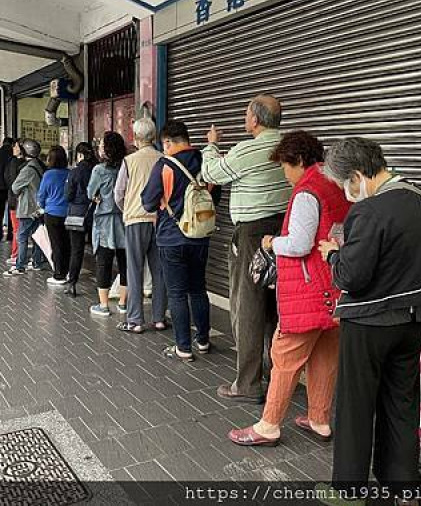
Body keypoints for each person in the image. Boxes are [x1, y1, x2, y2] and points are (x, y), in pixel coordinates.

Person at [316, 138, 421, 498]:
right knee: (402, 403)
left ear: (358, 175)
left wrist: (334, 255)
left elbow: (352, 278)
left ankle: (348, 492)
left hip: (369, 325)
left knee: (355, 408)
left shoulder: (370, 211)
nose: (347, 192)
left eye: (345, 184)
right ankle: (403, 488)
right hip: (413, 323)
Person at [228, 131, 350, 447]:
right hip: (337, 287)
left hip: (309, 290)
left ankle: (269, 426)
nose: (284, 173)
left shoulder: (307, 191)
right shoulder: (336, 183)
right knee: (324, 358)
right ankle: (319, 420)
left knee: (283, 358)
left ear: (297, 160)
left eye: (284, 165)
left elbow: (298, 244)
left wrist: (271, 241)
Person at [201, 94, 291, 403]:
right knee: (273, 305)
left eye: (245, 114)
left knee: (248, 304)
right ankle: (273, 372)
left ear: (255, 119)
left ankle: (248, 383)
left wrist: (212, 144)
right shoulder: (289, 145)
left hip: (253, 233)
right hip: (284, 230)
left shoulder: (251, 148)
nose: (244, 119)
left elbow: (211, 173)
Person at [142, 120, 220, 361]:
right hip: (200, 236)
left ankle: (183, 348)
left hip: (171, 238)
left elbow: (147, 202)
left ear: (167, 142)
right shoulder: (205, 162)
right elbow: (214, 195)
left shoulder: (164, 165)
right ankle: (204, 341)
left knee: (176, 294)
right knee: (198, 288)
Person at [114, 118, 166, 333]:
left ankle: (135, 320)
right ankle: (160, 318)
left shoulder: (129, 161)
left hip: (135, 220)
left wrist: (127, 208)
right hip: (159, 220)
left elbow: (119, 193)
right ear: (153, 137)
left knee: (134, 270)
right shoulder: (164, 159)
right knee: (159, 271)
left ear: (134, 137)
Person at [88, 132, 127, 316]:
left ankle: (103, 306)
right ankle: (123, 303)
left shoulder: (99, 170)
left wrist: (97, 197)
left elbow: (90, 192)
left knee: (104, 262)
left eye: (102, 144)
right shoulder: (126, 166)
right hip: (125, 219)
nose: (99, 147)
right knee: (125, 262)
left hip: (105, 220)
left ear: (107, 149)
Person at [4, 139, 48, 277]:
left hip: (28, 207)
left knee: (22, 236)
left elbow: (15, 187)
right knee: (36, 235)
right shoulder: (39, 165)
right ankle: (36, 262)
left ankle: (20, 266)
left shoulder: (28, 169)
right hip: (38, 207)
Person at [64, 142, 97, 297]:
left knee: (76, 250)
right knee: (100, 249)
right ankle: (104, 283)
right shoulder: (97, 170)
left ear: (80, 155)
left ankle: (72, 283)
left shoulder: (75, 172)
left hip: (77, 215)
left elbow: (68, 196)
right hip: (95, 214)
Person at [38, 146, 70, 286]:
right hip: (68, 214)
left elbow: (41, 195)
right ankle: (68, 271)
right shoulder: (69, 173)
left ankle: (59, 275)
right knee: (67, 244)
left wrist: (43, 206)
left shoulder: (48, 175)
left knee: (56, 244)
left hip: (52, 214)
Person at [3, 140, 26, 267]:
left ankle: (16, 255)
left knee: (17, 229)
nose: (14, 148)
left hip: (15, 201)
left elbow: (10, 181)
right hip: (28, 203)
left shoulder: (13, 163)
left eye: (16, 146)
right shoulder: (30, 164)